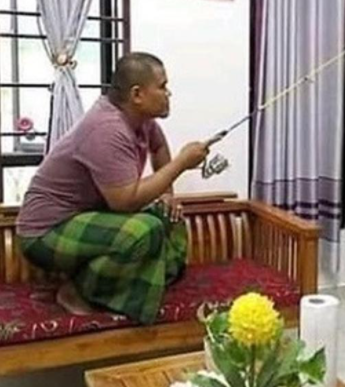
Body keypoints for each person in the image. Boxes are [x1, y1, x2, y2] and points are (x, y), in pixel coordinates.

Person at [16, 52, 210, 324]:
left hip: (88, 217)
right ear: (137, 94)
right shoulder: (107, 128)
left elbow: (158, 147)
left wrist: (168, 196)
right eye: (162, 86)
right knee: (145, 229)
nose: (168, 93)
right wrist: (181, 163)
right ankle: (77, 293)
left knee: (168, 216)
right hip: (46, 231)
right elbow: (124, 201)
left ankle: (145, 285)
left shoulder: (141, 120)